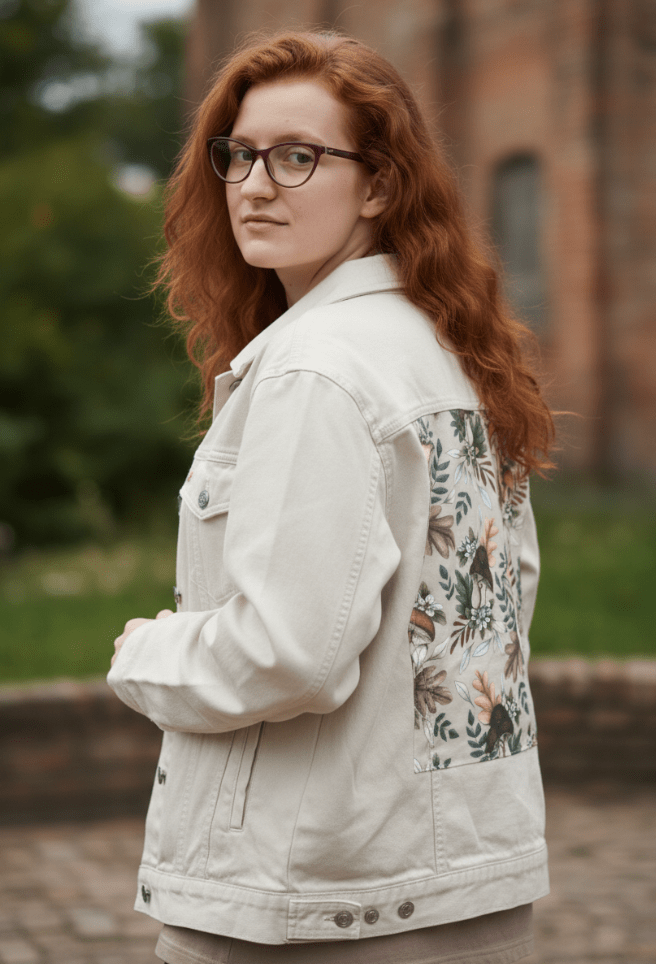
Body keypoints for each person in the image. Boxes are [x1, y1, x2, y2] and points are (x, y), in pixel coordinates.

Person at [107, 28, 555, 964]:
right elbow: (499, 601)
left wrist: (147, 655)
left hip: (314, 903)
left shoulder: (319, 369)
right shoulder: (447, 354)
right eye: (238, 154)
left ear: (382, 183)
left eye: (299, 156)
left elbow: (289, 654)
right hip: (462, 885)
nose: (256, 184)